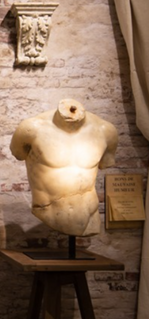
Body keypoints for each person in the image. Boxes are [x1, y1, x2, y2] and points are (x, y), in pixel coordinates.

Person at [10, 99, 118, 237]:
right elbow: (19, 154)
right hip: (48, 211)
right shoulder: (32, 129)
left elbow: (104, 163)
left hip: (90, 213)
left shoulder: (106, 131)